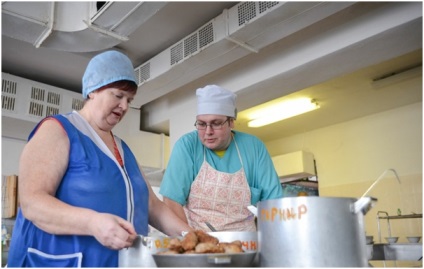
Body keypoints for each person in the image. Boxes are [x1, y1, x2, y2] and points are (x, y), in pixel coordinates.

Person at [7, 50, 192, 267]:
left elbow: (154, 207)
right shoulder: (58, 130)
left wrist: (192, 237)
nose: (124, 106)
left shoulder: (123, 150)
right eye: (118, 95)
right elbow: (33, 203)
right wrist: (93, 223)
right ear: (93, 90)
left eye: (129, 99)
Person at [160, 85, 283, 232]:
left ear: (231, 122)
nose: (208, 132)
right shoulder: (188, 146)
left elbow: (274, 204)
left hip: (246, 244)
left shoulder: (254, 147)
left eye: (216, 123)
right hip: (200, 245)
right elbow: (171, 202)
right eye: (201, 124)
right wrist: (192, 242)